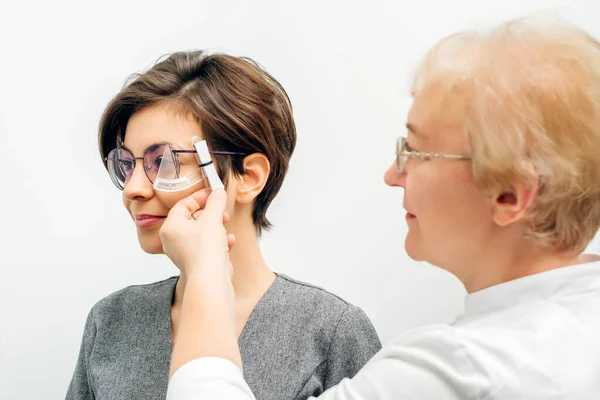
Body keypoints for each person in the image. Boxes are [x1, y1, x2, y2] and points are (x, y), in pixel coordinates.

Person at [162, 18, 600, 400]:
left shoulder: (462, 368)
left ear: (509, 194)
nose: (393, 174)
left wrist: (203, 273)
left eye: (416, 151)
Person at [66, 51, 381, 400]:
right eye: (127, 163)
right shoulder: (110, 321)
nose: (133, 188)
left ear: (248, 176)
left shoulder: (332, 332)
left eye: (164, 161)